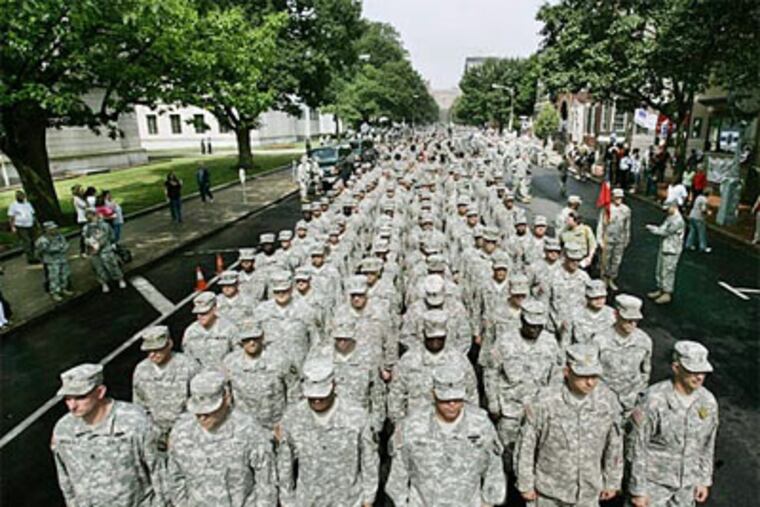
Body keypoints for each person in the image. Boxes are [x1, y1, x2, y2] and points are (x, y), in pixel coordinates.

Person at [515, 343, 623, 506]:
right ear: (567, 372)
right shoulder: (545, 401)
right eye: (583, 376)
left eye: (594, 376)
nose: (590, 383)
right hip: (549, 493)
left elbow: (614, 444)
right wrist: (525, 483)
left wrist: (612, 480)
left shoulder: (607, 401)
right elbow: (526, 445)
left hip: (588, 493)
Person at [386, 365, 506, 507]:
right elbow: (399, 471)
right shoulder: (412, 425)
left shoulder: (480, 424)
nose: (452, 405)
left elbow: (494, 468)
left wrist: (489, 502)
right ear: (434, 394)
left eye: (457, 399)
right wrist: (400, 502)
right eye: (445, 400)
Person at [51, 363, 160, 506]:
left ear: (100, 392)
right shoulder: (64, 430)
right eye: (68, 399)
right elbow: (66, 480)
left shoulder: (133, 421)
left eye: (80, 397)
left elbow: (159, 472)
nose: (72, 406)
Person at [276, 356, 379, 506]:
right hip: (308, 500)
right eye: (312, 396)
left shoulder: (356, 415)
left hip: (348, 500)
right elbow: (285, 464)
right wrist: (287, 501)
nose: (316, 400)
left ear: (334, 385)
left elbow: (369, 459)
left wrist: (369, 498)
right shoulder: (293, 418)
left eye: (321, 395)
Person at [628, 341, 718, 507]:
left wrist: (703, 479)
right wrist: (638, 490)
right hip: (653, 486)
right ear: (676, 368)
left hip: (686, 487)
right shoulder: (654, 400)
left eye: (703, 372)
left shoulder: (707, 401)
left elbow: (707, 444)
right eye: (693, 371)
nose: (699, 377)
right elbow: (636, 447)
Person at [167, 370, 277, 505]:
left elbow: (266, 481)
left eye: (209, 410)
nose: (202, 417)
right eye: (198, 411)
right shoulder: (181, 431)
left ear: (227, 398)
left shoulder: (249, 430)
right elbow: (175, 479)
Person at [132, 325, 198, 450]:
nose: (153, 354)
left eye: (158, 349)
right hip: (155, 435)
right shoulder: (141, 370)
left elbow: (198, 402)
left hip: (186, 434)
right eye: (149, 351)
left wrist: (181, 431)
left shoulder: (188, 366)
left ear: (169, 344)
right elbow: (139, 405)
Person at [181, 291, 238, 369]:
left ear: (214, 309)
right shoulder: (190, 332)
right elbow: (188, 359)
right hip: (201, 376)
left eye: (205, 313)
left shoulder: (229, 328)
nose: (201, 316)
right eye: (198, 313)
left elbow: (238, 355)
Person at [646, 199, 685, 304]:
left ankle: (667, 293)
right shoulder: (670, 217)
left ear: (674, 207)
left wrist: (653, 229)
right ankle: (660, 289)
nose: (666, 211)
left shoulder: (678, 220)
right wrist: (656, 228)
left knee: (667, 271)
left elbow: (665, 232)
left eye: (668, 208)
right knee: (660, 269)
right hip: (665, 246)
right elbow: (663, 227)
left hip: (672, 249)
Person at [83, 209, 126, 293]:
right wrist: (90, 243)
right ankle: (104, 283)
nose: (90, 217)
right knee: (99, 268)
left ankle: (119, 279)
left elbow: (110, 236)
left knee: (112, 265)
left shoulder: (104, 225)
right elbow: (85, 239)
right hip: (94, 251)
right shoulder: (86, 228)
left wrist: (99, 244)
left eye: (92, 215)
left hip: (105, 249)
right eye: (88, 215)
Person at [597, 188, 632, 290]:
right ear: (612, 197)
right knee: (605, 260)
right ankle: (604, 279)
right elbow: (600, 225)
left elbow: (627, 225)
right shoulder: (607, 209)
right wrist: (599, 239)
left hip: (619, 239)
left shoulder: (626, 210)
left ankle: (611, 278)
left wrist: (627, 238)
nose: (618, 199)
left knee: (616, 260)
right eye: (616, 197)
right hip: (607, 237)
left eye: (620, 197)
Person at [34, 221, 72, 301]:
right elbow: (43, 250)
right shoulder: (43, 240)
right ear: (47, 230)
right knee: (54, 277)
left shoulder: (59, 236)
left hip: (62, 258)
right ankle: (55, 292)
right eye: (52, 229)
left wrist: (64, 247)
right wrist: (58, 248)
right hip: (52, 261)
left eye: (55, 228)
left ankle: (63, 288)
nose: (54, 230)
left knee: (64, 274)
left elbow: (65, 244)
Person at [7, 190, 37, 263]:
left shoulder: (28, 204)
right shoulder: (13, 205)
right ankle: (30, 258)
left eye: (22, 196)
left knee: (32, 241)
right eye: (19, 196)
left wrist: (35, 222)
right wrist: (12, 227)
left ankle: (33, 255)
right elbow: (11, 217)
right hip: (21, 226)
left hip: (30, 224)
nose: (22, 197)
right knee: (27, 241)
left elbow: (32, 213)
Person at [686, 187, 712, 253]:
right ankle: (703, 247)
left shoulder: (698, 197)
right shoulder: (705, 200)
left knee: (692, 231)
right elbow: (703, 209)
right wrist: (708, 212)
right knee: (702, 233)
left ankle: (688, 244)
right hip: (699, 217)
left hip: (692, 215)